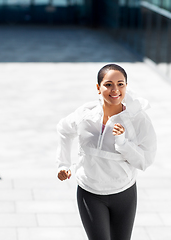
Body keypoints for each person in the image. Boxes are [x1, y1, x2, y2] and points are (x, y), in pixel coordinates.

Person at [56, 64, 157, 240]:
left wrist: (123, 143)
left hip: (124, 193)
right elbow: (63, 129)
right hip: (90, 193)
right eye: (108, 84)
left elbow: (145, 161)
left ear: (126, 86)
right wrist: (64, 164)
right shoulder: (85, 115)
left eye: (121, 84)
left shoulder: (138, 119)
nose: (115, 90)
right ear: (98, 87)